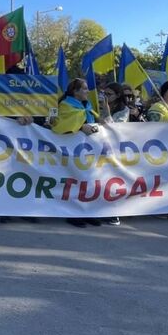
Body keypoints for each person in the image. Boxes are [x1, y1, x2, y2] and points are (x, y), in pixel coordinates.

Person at [51, 78, 105, 228]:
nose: (88, 91)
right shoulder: (65, 106)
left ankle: (88, 213)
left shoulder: (87, 106)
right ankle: (73, 214)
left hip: (88, 149)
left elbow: (92, 122)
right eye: (85, 88)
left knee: (88, 181)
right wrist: (81, 127)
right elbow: (59, 125)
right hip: (72, 150)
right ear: (75, 91)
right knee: (73, 181)